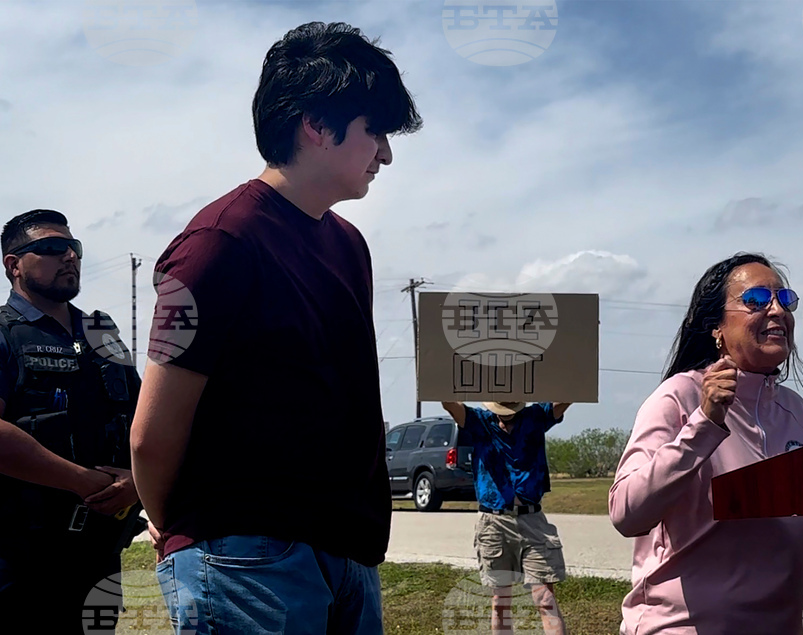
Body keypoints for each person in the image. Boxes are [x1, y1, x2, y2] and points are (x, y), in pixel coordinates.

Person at [129, 21, 422, 635]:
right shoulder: (216, 244)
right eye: (376, 131)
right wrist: (173, 528)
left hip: (347, 556)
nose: (387, 154)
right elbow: (151, 435)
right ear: (316, 124)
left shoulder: (348, 244)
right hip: (244, 560)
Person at [609, 252, 803, 635]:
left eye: (785, 299)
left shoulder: (801, 414)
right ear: (716, 328)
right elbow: (627, 513)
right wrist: (705, 424)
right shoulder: (679, 397)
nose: (777, 310)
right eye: (756, 300)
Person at [0, 209, 142, 634]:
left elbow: (143, 421)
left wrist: (137, 482)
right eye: (48, 247)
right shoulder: (5, 334)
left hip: (101, 553)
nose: (68, 256)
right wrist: (84, 482)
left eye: (73, 247)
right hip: (22, 557)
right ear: (14, 266)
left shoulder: (101, 333)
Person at [441, 400, 572, 635]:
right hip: (493, 522)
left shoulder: (535, 417)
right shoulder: (479, 421)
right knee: (500, 602)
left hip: (532, 521)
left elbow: (565, 400)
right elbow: (449, 404)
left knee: (545, 599)